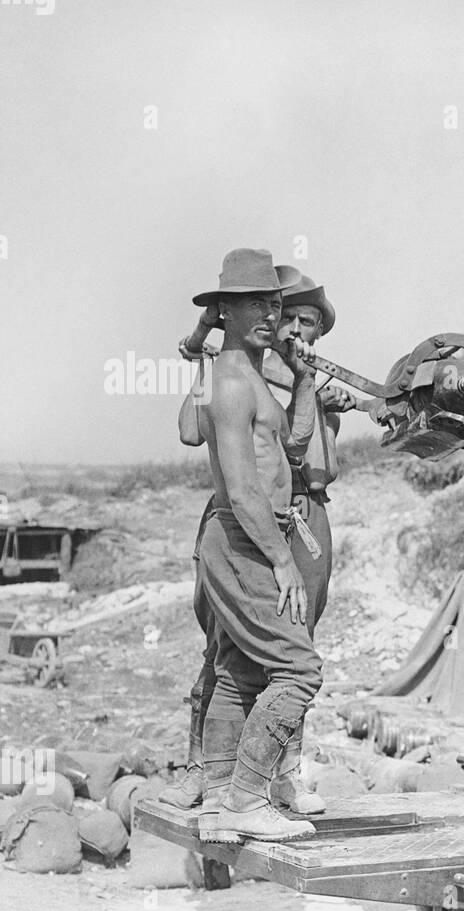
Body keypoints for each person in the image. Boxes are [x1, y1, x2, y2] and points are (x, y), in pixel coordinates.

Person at [161, 274, 355, 817]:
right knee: (237, 651)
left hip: (303, 516)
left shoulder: (307, 378)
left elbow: (301, 451)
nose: (289, 326)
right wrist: (203, 351)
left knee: (291, 643)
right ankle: (218, 781)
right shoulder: (238, 372)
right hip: (249, 524)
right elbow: (195, 438)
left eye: (303, 319)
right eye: (278, 312)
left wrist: (312, 391)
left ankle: (278, 779)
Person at [180, 248, 324, 842]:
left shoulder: (249, 378)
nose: (270, 313)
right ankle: (245, 799)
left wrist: (307, 377)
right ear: (224, 312)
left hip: (251, 537)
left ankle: (219, 800)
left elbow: (290, 443)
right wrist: (283, 559)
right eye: (254, 304)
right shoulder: (231, 382)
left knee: (239, 670)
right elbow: (241, 489)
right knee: (299, 669)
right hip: (245, 539)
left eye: (273, 302)